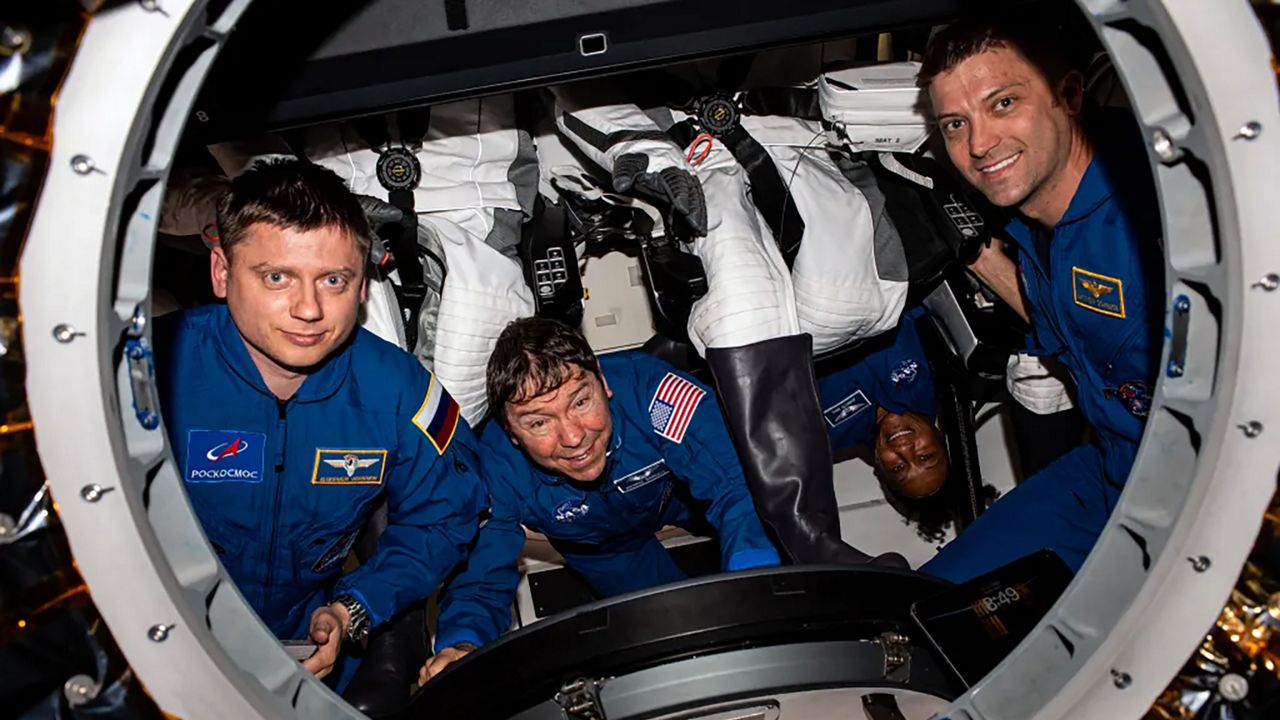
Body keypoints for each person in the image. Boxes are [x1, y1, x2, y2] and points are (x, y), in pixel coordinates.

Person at [154, 159, 487, 688]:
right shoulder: (145, 371)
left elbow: (446, 516)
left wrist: (353, 609)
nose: (308, 309)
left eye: (333, 279)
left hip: (305, 642)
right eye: (277, 277)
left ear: (362, 287)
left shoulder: (401, 392)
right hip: (155, 632)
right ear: (221, 272)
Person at [916, 16, 1163, 582]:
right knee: (932, 605)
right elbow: (1070, 327)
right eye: (955, 124)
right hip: (1109, 470)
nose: (978, 145)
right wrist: (978, 258)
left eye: (1003, 103)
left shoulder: (1154, 220)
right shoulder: (1029, 225)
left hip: (1189, 489)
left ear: (1070, 95)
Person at [421, 317, 781, 682]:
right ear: (511, 433)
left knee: (768, 546)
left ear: (604, 383)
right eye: (538, 423)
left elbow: (734, 484)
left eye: (580, 402)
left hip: (680, 495)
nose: (574, 436)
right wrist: (462, 643)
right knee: (670, 639)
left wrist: (755, 580)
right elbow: (481, 570)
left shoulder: (654, 393)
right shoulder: (495, 468)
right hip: (603, 546)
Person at [816, 309, 949, 501]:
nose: (904, 449)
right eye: (925, 456)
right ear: (939, 436)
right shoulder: (937, 371)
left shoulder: (823, 434)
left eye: (897, 468)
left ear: (878, 465)